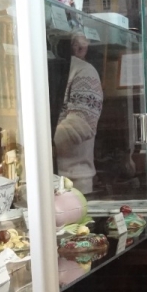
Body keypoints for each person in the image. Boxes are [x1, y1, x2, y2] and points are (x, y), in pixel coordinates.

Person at [53, 31, 103, 194]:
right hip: (36, 178)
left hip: (74, 183)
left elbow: (79, 127)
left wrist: (30, 145)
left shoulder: (84, 71)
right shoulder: (31, 67)